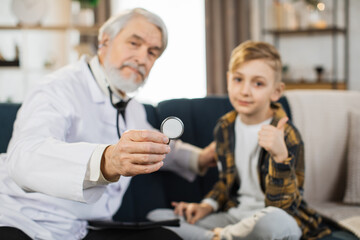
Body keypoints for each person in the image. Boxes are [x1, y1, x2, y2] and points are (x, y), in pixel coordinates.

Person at [0, 8, 216, 240]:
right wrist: (107, 160)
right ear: (104, 41)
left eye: (152, 52)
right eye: (134, 43)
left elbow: (152, 143)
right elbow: (24, 156)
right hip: (22, 219)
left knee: (167, 237)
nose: (142, 58)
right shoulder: (57, 88)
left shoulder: (130, 106)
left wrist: (200, 158)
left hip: (82, 227)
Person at [148, 41, 332, 239]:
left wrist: (280, 157)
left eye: (258, 83)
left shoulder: (286, 134)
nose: (245, 91)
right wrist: (206, 206)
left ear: (276, 91)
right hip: (235, 218)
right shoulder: (225, 127)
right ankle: (219, 236)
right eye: (238, 79)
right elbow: (225, 182)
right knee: (158, 217)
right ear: (228, 80)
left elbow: (284, 208)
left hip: (275, 217)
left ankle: (218, 236)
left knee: (274, 223)